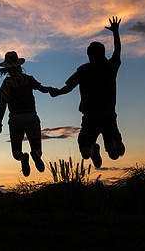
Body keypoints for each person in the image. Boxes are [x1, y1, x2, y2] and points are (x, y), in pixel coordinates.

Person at [50, 16, 125, 168]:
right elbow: (117, 50)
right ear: (103, 53)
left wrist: (56, 92)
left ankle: (90, 149)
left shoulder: (83, 69)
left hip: (90, 115)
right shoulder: (110, 66)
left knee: (84, 145)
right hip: (109, 114)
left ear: (89, 55)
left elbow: (68, 87)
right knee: (114, 154)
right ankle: (114, 141)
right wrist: (115, 32)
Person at [0, 51, 56, 176]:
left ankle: (23, 158)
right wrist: (51, 89)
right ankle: (35, 154)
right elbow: (43, 89)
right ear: (19, 65)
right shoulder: (29, 79)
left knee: (16, 152)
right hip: (31, 117)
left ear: (7, 68)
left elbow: (3, 105)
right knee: (37, 149)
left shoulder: (6, 84)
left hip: (15, 119)